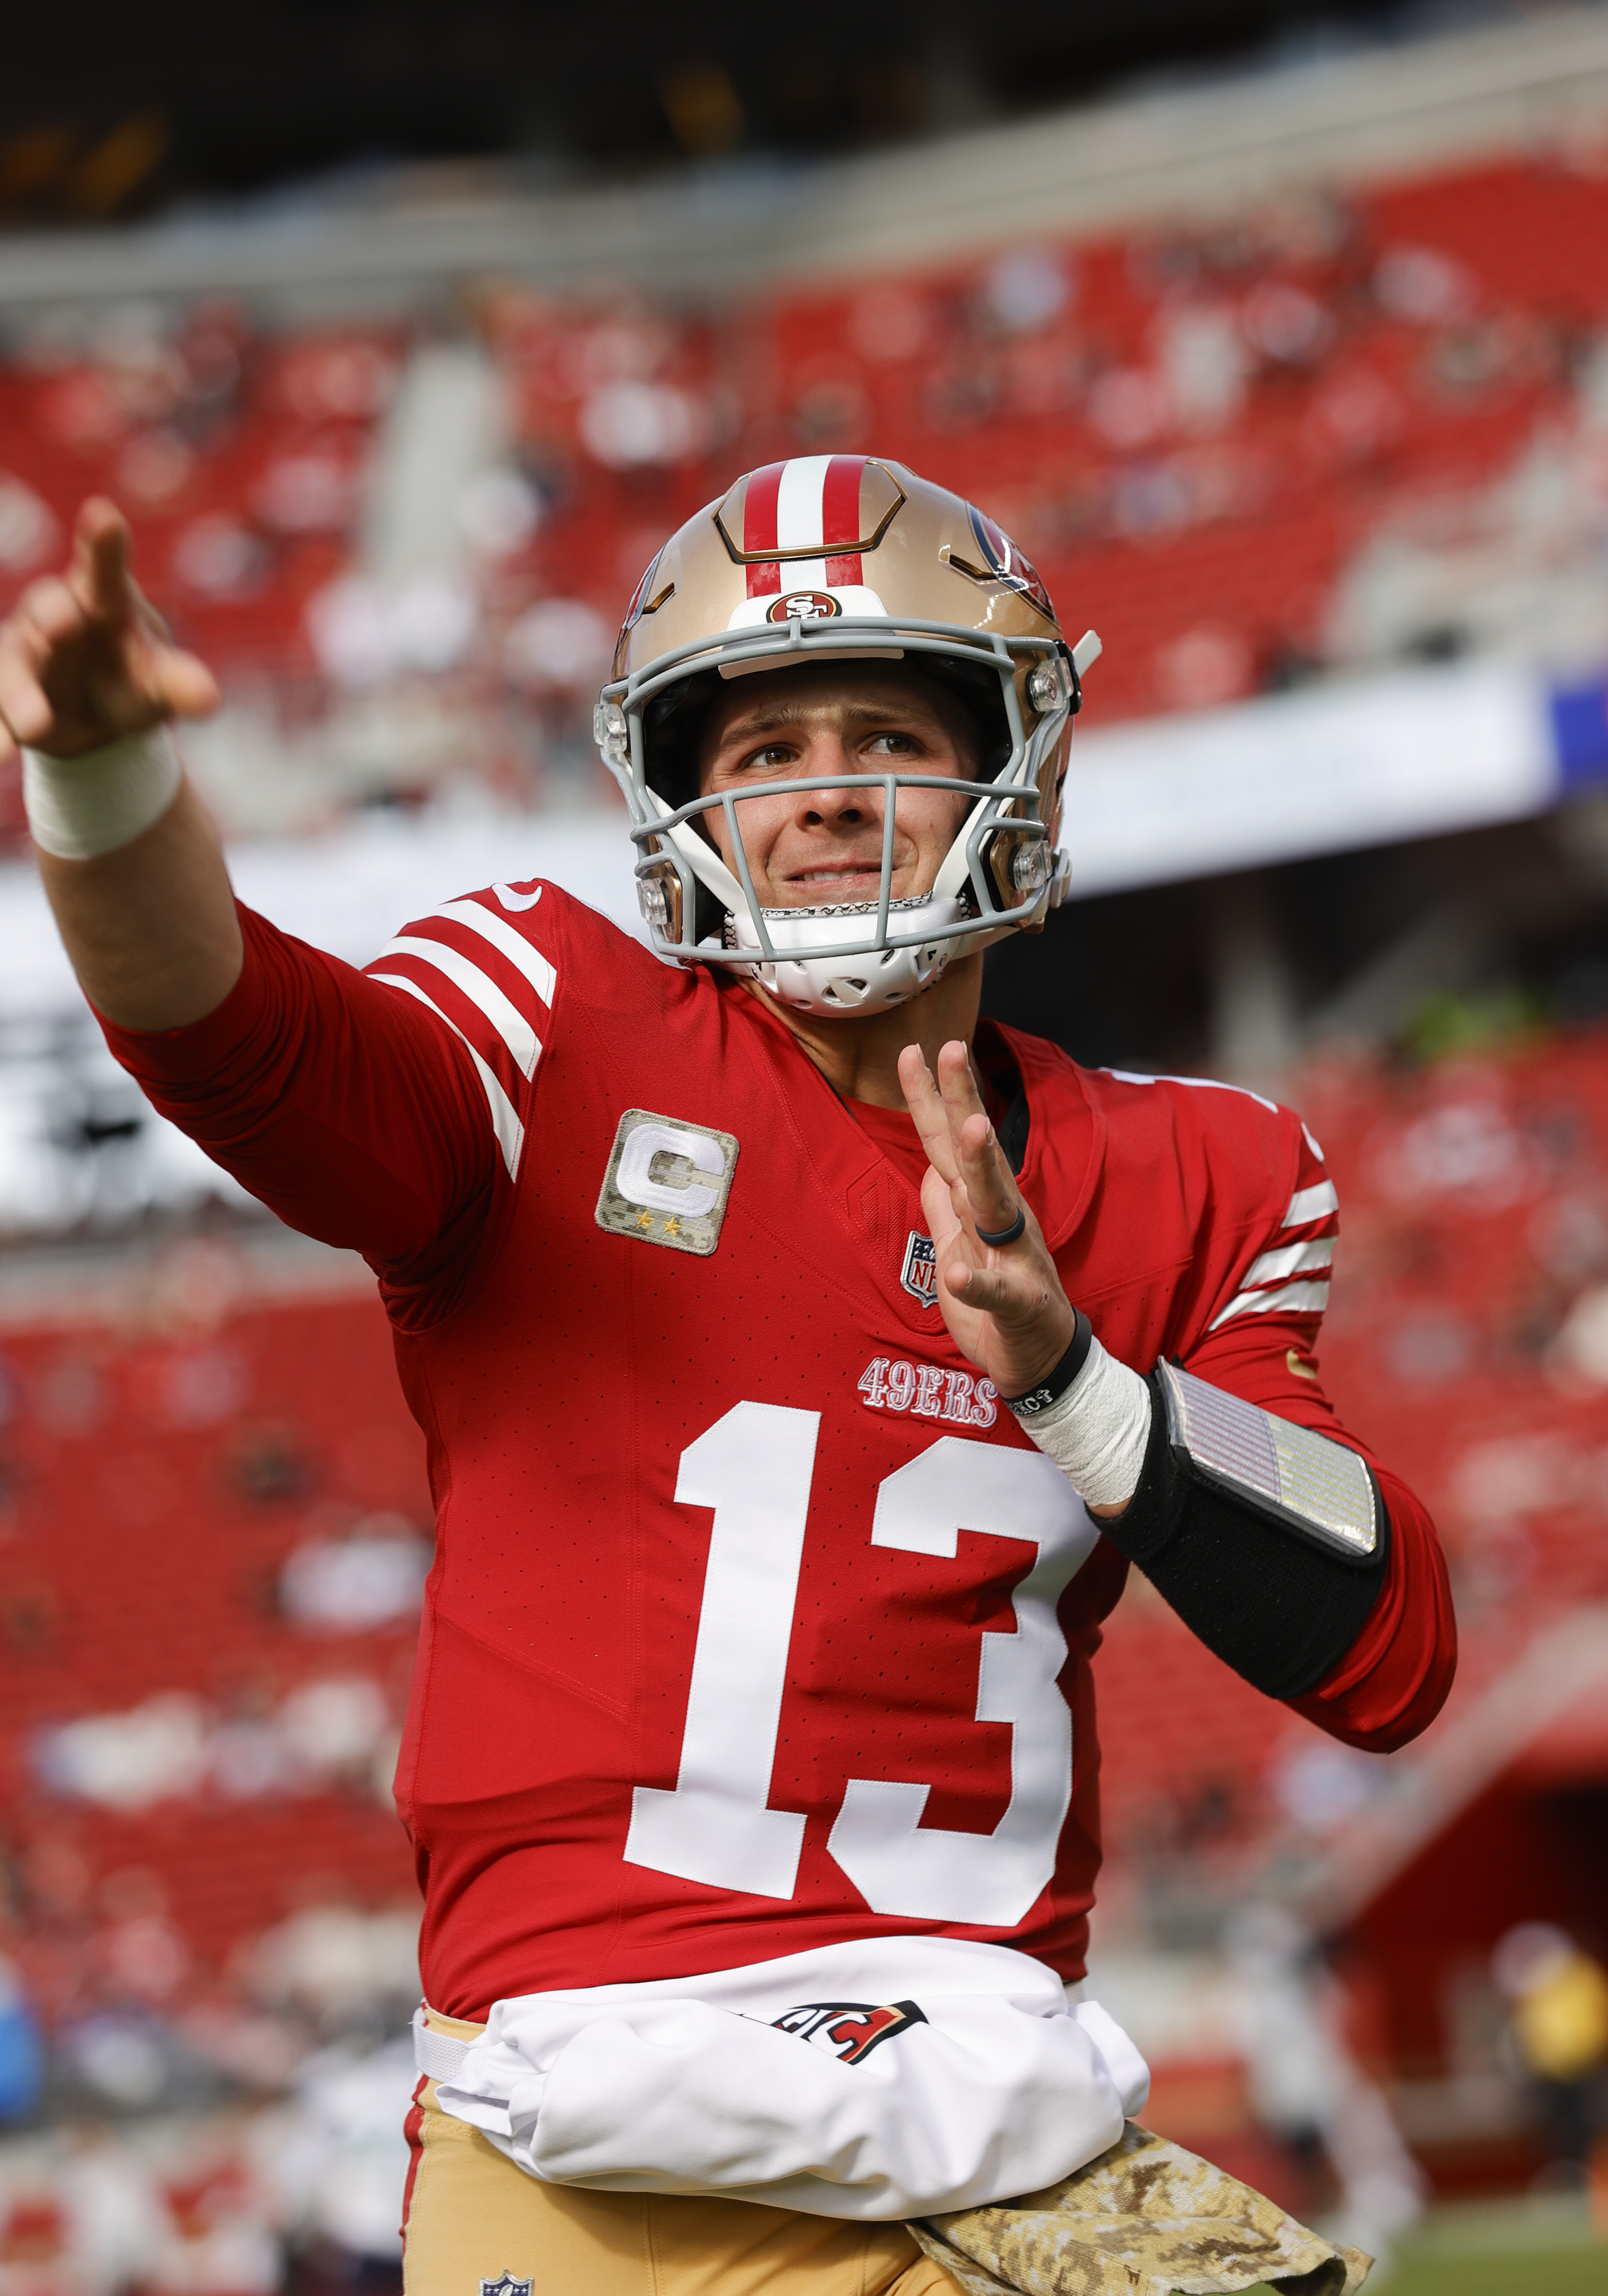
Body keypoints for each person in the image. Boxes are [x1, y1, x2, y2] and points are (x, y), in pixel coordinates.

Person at [0, 457, 1455, 2296]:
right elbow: (240, 1038)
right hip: (606, 2137)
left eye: (887, 735)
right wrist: (109, 787)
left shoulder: (1206, 1175)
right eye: (765, 755)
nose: (830, 792)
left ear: (1017, 765)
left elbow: (1392, 1654)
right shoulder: (553, 1018)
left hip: (990, 2126)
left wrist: (1080, 1382)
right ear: (684, 801)